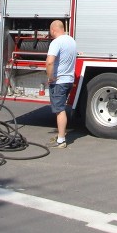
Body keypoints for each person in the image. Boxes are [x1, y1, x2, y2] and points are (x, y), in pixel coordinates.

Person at [46, 19, 77, 148]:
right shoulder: (71, 41)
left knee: (60, 110)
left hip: (59, 81)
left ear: (53, 30)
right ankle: (61, 134)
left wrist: (50, 77)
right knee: (62, 108)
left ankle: (61, 140)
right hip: (69, 80)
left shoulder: (56, 42)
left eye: (50, 31)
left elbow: (49, 62)